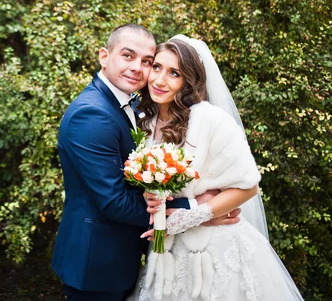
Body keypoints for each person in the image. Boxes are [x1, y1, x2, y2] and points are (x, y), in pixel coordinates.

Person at [52, 25, 239, 301]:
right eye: (127, 55)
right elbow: (115, 201)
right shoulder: (92, 114)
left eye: (147, 61)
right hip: (96, 264)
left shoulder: (136, 108)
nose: (137, 68)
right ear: (104, 56)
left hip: (120, 259)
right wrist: (198, 211)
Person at [129, 35, 303, 301]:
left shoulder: (210, 119)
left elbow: (247, 186)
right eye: (157, 67)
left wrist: (191, 214)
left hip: (215, 252)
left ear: (188, 81)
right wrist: (152, 197)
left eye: (173, 73)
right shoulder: (146, 123)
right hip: (167, 253)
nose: (160, 80)